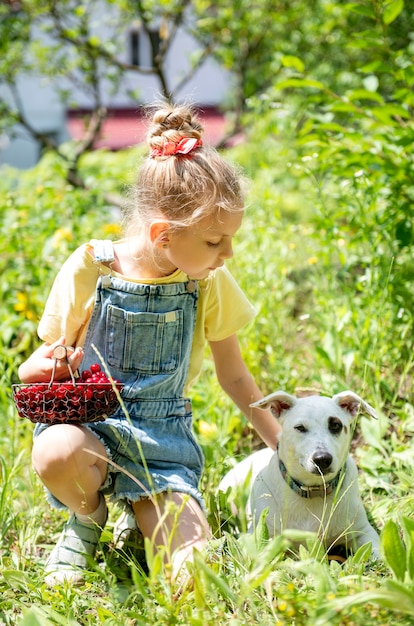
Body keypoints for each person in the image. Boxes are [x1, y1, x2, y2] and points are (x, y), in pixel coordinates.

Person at [18, 103, 280, 588]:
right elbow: (34, 369)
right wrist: (55, 363)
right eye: (215, 241)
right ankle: (88, 517)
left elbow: (235, 376)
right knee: (55, 450)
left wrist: (281, 444)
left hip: (162, 448)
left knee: (194, 578)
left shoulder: (207, 283)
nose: (228, 255)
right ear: (163, 234)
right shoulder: (90, 267)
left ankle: (147, 512)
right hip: (89, 432)